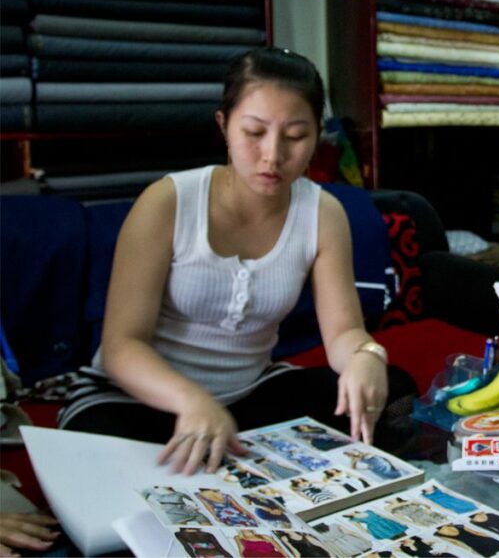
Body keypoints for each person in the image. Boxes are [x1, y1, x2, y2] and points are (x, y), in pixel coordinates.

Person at [58, 47, 415, 474]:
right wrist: (192, 401)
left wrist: (366, 356)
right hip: (139, 398)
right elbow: (121, 347)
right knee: (99, 456)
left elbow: (344, 332)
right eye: (254, 132)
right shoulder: (168, 202)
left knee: (391, 391)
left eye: (295, 136)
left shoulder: (323, 213)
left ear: (317, 134)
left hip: (246, 395)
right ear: (224, 125)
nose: (273, 155)